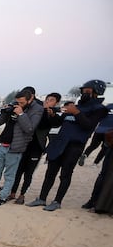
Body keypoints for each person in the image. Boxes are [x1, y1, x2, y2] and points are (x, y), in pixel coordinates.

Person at [27, 80, 109, 211]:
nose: (84, 93)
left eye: (87, 91)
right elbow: (58, 123)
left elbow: (88, 125)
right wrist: (52, 115)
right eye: (83, 91)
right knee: (50, 173)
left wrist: (76, 112)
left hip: (74, 146)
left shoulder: (99, 109)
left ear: (96, 92)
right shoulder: (75, 106)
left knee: (65, 174)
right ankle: (42, 198)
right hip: (59, 143)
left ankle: (57, 201)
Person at [0, 89, 43, 206]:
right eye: (18, 102)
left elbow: (29, 129)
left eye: (22, 103)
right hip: (3, 144)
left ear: (30, 99)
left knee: (9, 175)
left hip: (16, 147)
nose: (19, 104)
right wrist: (5, 111)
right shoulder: (14, 105)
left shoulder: (37, 110)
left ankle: (3, 197)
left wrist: (21, 114)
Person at [9, 92, 63, 204]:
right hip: (24, 144)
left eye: (51, 100)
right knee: (18, 170)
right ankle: (12, 193)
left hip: (37, 147)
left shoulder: (53, 115)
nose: (48, 101)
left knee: (29, 173)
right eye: (47, 99)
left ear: (57, 103)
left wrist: (51, 113)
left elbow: (56, 123)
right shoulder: (35, 109)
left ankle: (22, 195)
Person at [78, 102, 113, 166]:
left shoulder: (108, 106)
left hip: (99, 129)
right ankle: (95, 163)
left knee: (93, 145)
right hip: (110, 132)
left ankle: (85, 155)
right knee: (105, 148)